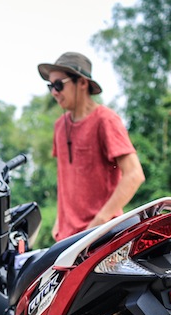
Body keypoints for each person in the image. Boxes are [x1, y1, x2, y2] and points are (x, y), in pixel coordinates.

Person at [38, 51, 145, 242]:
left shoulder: (106, 120)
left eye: (58, 84)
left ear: (82, 83)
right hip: (67, 240)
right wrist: (59, 223)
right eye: (50, 86)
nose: (54, 92)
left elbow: (134, 174)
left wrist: (99, 222)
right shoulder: (60, 127)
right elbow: (67, 178)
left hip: (103, 237)